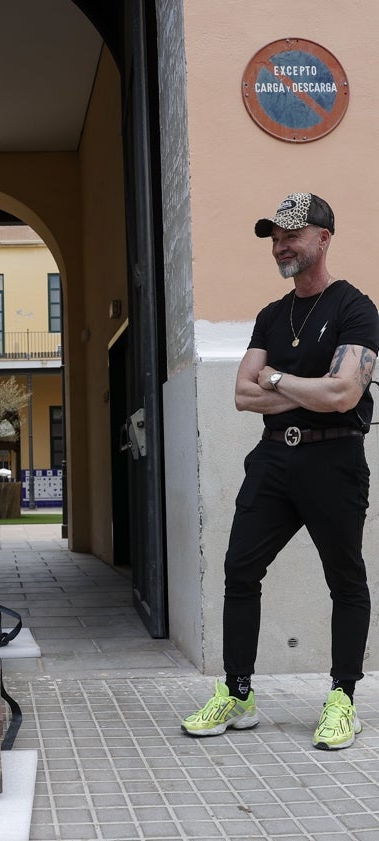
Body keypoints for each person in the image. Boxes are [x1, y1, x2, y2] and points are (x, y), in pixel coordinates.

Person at [181, 193, 379, 750]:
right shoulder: (272, 315)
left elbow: (343, 394)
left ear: (323, 238)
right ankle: (238, 693)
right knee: (240, 569)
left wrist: (276, 380)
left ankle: (342, 697)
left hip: (333, 459)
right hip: (273, 459)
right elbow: (241, 394)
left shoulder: (354, 308)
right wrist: (300, 391)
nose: (280, 246)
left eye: (291, 235)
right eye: (273, 237)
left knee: (345, 579)